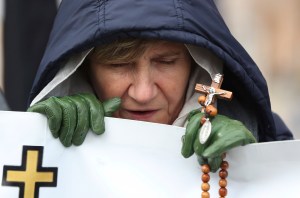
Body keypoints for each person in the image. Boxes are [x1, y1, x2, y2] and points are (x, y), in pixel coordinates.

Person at [27, 0, 293, 172]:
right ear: (80, 67)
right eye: (119, 65)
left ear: (199, 63)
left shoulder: (262, 137)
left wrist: (252, 162)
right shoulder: (35, 159)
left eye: (166, 62)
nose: (143, 93)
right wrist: (39, 141)